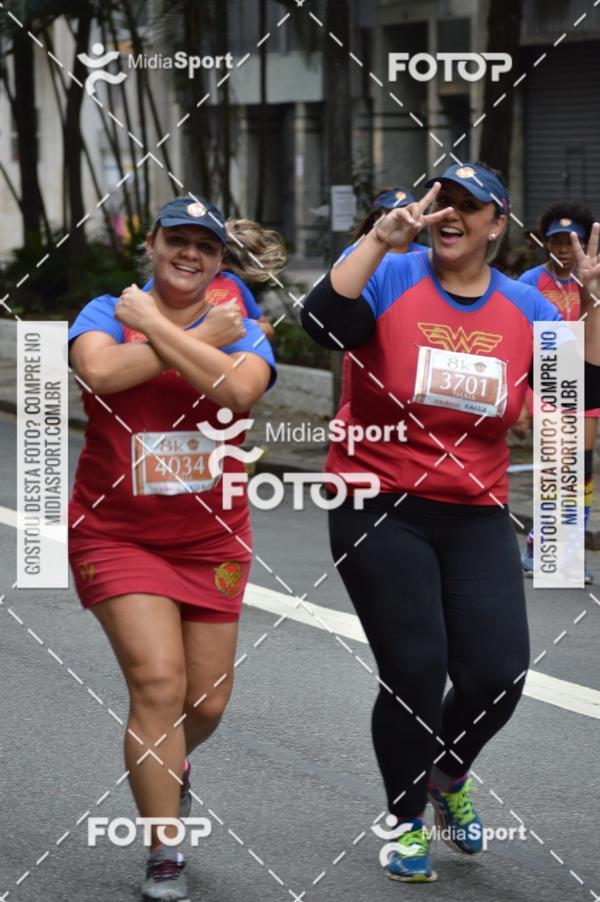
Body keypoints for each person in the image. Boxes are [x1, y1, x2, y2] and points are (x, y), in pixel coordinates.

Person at [300, 162, 600, 883]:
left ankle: (447, 774)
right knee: (416, 667)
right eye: (444, 201)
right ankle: (404, 822)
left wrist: (593, 305)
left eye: (472, 205)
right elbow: (320, 324)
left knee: (498, 672)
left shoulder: (526, 310)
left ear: (497, 224)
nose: (452, 213)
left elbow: (575, 406)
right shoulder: (392, 273)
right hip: (376, 503)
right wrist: (378, 238)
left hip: (474, 512)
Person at [68, 196, 280, 901]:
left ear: (220, 258)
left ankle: (171, 767)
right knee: (158, 684)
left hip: (210, 539)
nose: (189, 254)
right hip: (116, 531)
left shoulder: (243, 330)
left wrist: (157, 326)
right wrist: (191, 331)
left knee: (208, 702)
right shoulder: (105, 311)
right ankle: (164, 850)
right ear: (152, 245)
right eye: (176, 240)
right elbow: (99, 376)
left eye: (205, 246)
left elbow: (236, 390)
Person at [518, 203, 597, 582]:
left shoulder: (594, 277)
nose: (563, 248)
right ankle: (541, 546)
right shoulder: (530, 281)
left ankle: (569, 555)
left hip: (587, 372)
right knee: (555, 465)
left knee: (580, 470)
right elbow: (517, 339)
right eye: (555, 241)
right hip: (549, 370)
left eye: (571, 241)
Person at [337, 189, 428, 407]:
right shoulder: (357, 253)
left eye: (407, 212)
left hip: (414, 347)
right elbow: (337, 301)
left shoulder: (429, 258)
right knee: (358, 408)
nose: (401, 219)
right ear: (378, 217)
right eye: (390, 212)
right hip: (365, 345)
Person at [143, 217, 279, 340]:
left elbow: (267, 328)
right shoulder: (161, 286)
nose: (192, 256)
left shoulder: (232, 282)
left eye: (207, 248)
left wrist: (246, 328)